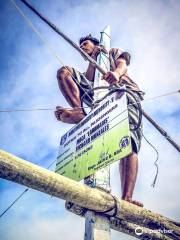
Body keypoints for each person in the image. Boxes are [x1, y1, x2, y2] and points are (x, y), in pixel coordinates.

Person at [55, 35, 144, 207]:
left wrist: (116, 74)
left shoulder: (111, 52)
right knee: (64, 71)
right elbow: (76, 78)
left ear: (96, 44)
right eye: (80, 46)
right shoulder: (89, 72)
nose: (82, 47)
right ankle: (79, 111)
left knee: (129, 141)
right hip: (99, 102)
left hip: (123, 93)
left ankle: (127, 197)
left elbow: (122, 64)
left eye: (85, 44)